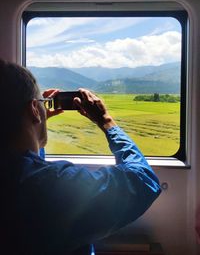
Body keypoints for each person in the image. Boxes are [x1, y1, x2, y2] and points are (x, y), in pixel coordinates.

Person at [0, 59, 161, 255]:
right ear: (34, 109)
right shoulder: (50, 184)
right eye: (41, 104)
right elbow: (143, 182)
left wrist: (37, 124)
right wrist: (107, 122)